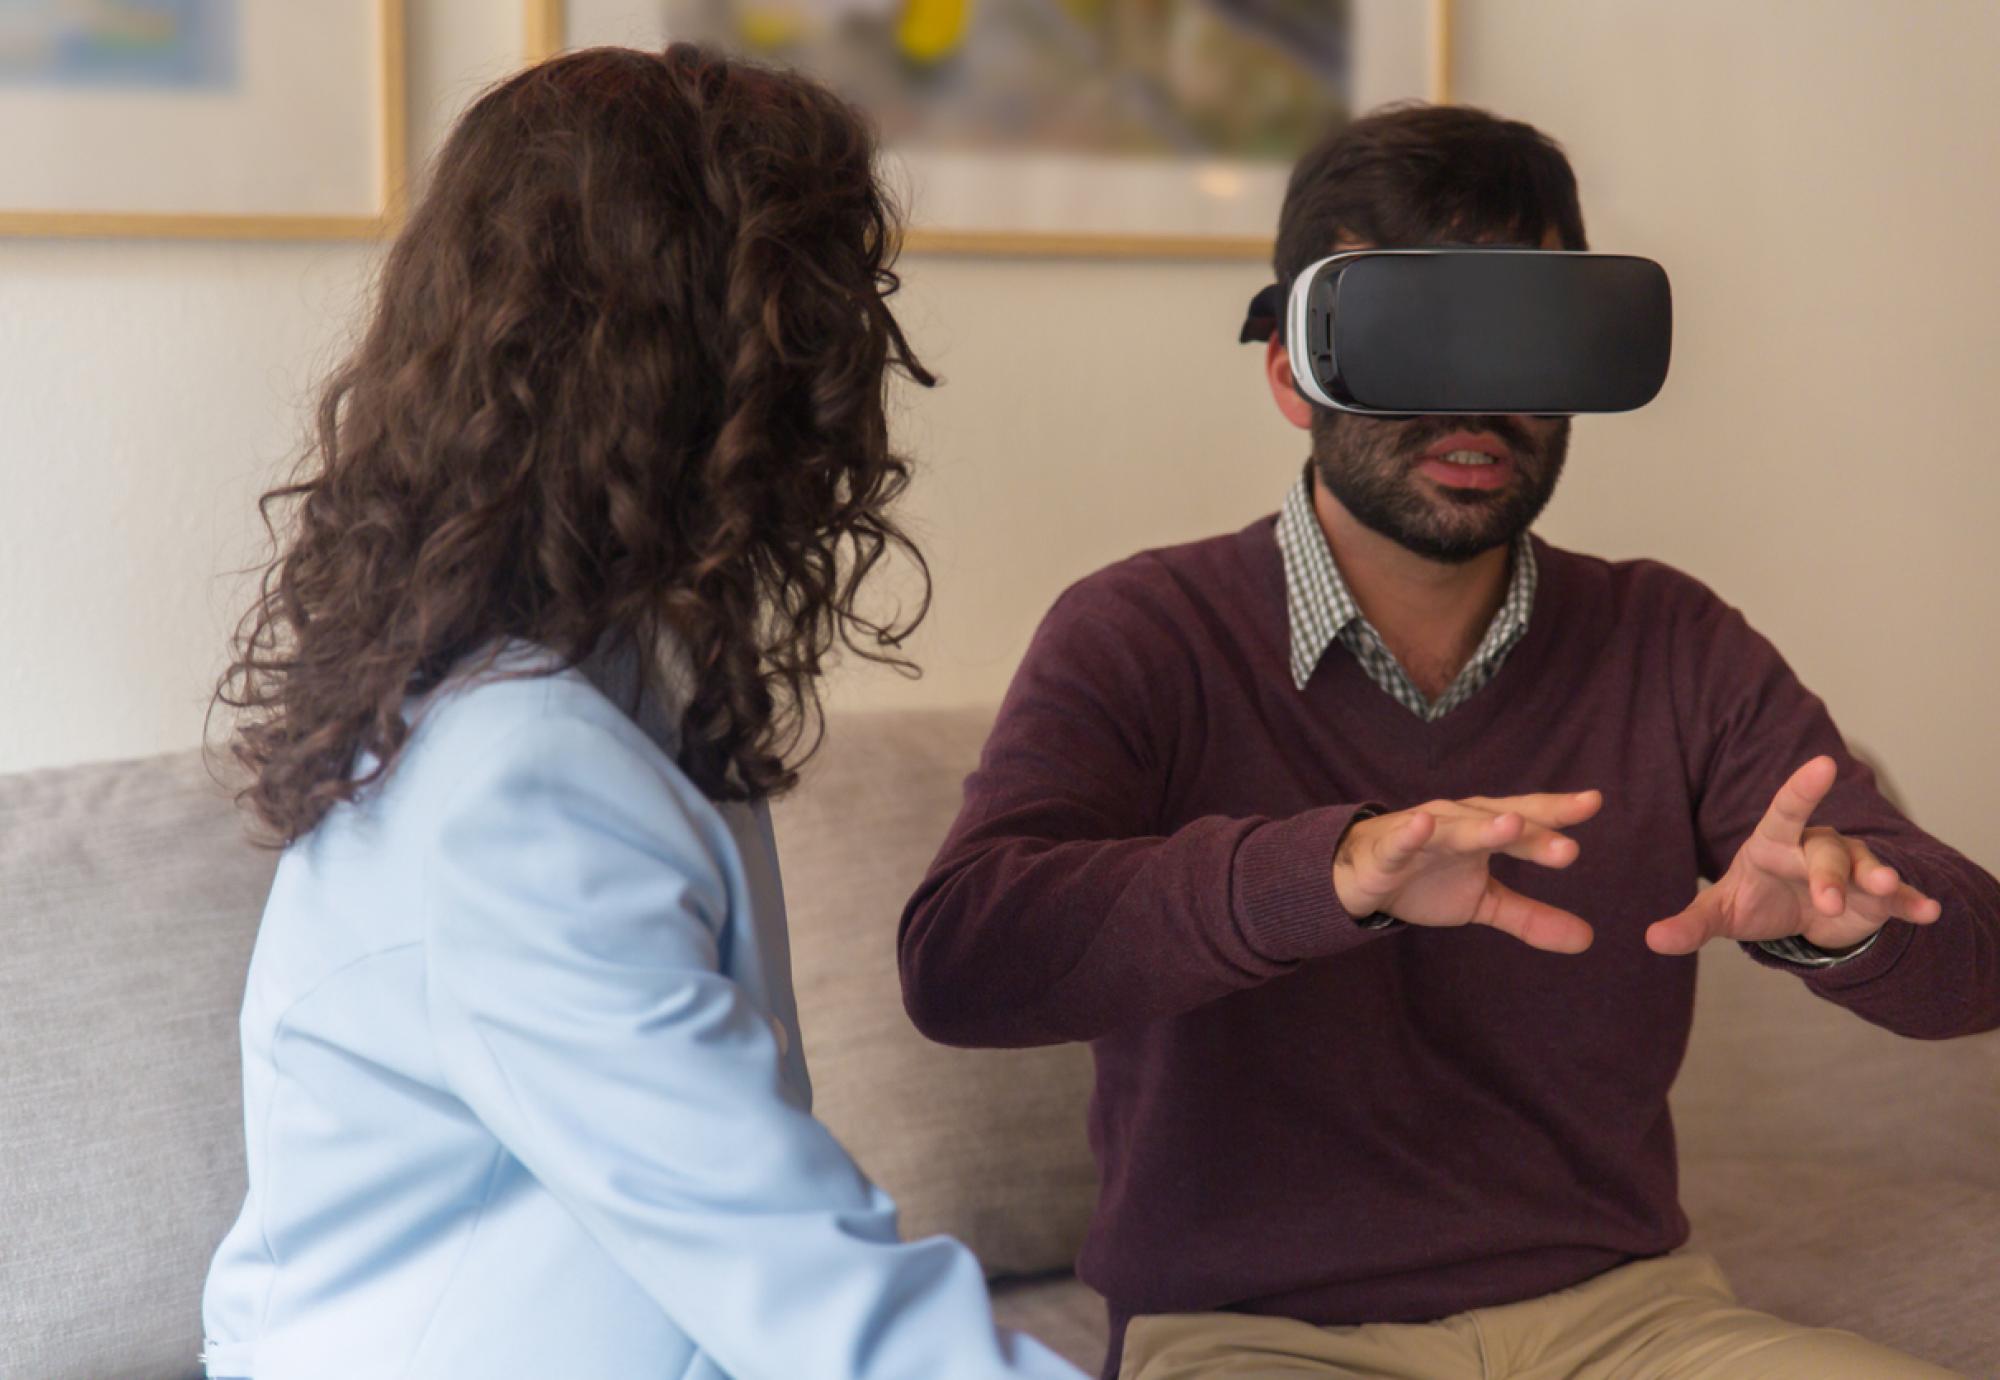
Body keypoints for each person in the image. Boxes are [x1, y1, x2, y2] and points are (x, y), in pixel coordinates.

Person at [898, 103, 1998, 1380]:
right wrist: (1328, 874)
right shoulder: (1140, 632)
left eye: (1520, 335)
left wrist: (1843, 918)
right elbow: (963, 962)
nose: (1472, 399)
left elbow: (1975, 969)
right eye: (1415, 337)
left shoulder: (1670, 637)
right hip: (1257, 1335)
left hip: (1631, 1320)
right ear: (1287, 373)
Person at [200, 44, 1084, 1380]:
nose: (852, 370)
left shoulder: (561, 696)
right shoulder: (520, 784)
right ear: (698, 361)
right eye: (824, 305)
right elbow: (809, 1294)